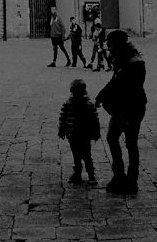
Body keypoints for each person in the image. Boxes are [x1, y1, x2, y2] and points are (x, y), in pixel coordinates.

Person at [94, 31, 146, 194]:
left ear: (118, 45)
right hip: (124, 106)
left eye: (110, 45)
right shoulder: (123, 59)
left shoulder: (134, 63)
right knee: (123, 141)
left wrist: (106, 97)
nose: (108, 48)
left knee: (125, 141)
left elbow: (123, 85)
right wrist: (101, 95)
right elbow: (115, 81)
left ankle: (128, 179)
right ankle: (123, 177)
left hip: (130, 107)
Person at [58, 79, 101, 184]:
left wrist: (62, 130)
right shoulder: (74, 104)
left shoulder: (75, 104)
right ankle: (81, 174)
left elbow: (95, 120)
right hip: (76, 135)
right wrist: (62, 130)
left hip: (81, 135)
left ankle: (88, 174)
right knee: (78, 155)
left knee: (85, 155)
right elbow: (63, 119)